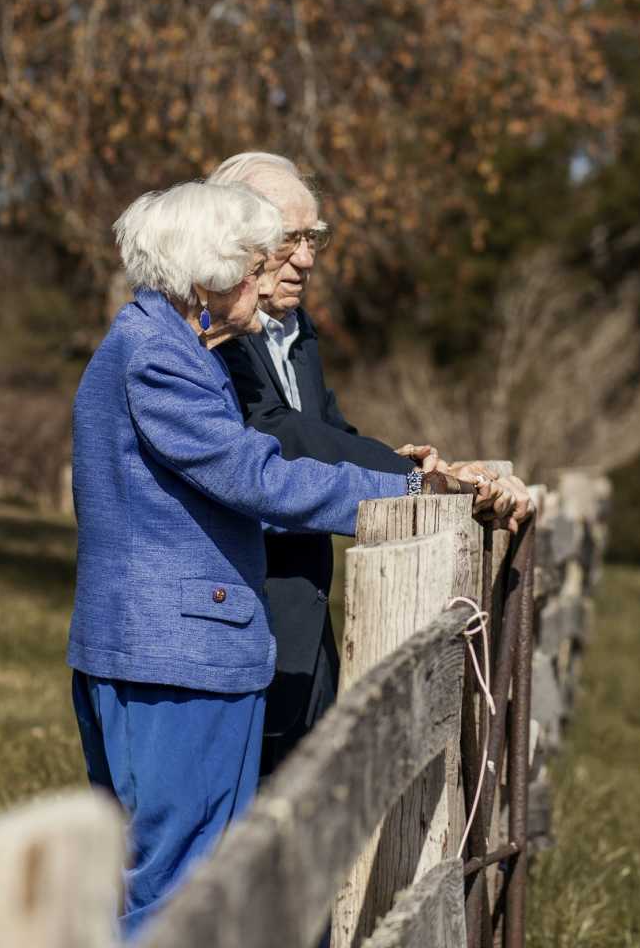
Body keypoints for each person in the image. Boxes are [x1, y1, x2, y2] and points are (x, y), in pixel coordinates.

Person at [67, 179, 462, 937]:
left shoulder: (166, 345)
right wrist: (404, 489)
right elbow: (253, 476)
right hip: (175, 659)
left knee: (162, 877)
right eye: (253, 263)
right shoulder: (159, 357)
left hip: (153, 650)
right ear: (208, 278)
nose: (268, 276)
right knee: (182, 884)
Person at [208, 152, 533, 777]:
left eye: (314, 239)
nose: (306, 259)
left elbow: (327, 432)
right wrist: (416, 481)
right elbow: (278, 436)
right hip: (234, 617)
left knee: (303, 815)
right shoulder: (213, 334)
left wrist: (406, 465)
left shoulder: (295, 330)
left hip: (305, 614)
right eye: (289, 239)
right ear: (234, 239)